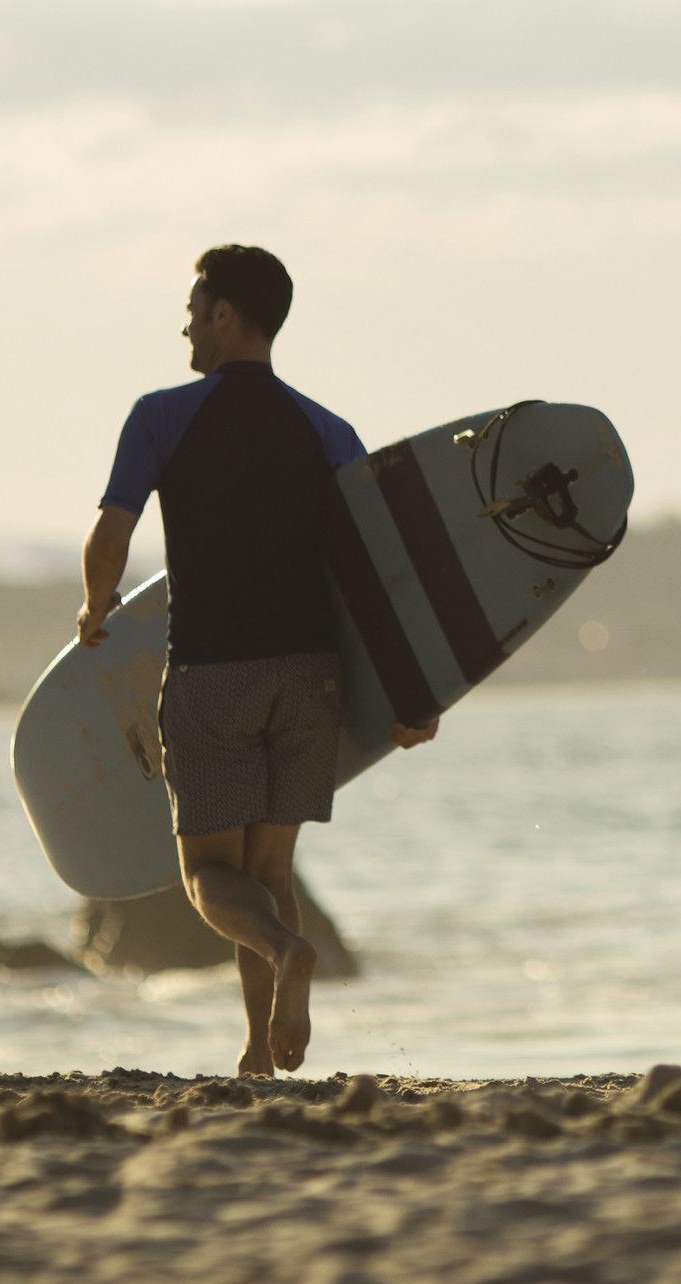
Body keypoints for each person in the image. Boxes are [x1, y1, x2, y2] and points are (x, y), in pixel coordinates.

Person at [77, 245, 427, 1076]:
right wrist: (409, 690)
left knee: (207, 875)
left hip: (212, 672)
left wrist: (95, 606)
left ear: (227, 314)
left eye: (196, 310)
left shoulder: (162, 416)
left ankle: (281, 949)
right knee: (270, 867)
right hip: (310, 676)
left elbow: (112, 535)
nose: (188, 326)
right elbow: (371, 575)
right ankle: (259, 1049)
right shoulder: (330, 429)